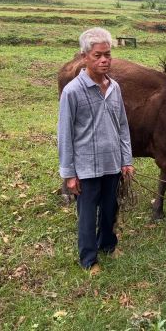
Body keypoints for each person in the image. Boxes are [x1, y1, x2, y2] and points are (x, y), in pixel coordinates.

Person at [58, 27, 134, 275]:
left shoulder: (115, 88)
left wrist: (126, 159)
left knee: (110, 208)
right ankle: (89, 259)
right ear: (84, 57)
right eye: (98, 55)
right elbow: (65, 135)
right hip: (86, 167)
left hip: (112, 163)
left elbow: (122, 126)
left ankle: (108, 244)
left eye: (108, 55)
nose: (104, 60)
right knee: (88, 215)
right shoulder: (72, 92)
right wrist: (69, 174)